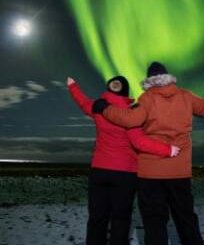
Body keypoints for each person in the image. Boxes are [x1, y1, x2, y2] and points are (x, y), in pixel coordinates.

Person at [92, 62, 204, 245]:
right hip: (179, 170)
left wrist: (104, 108)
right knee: (186, 218)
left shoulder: (147, 98)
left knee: (154, 221)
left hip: (150, 173)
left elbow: (129, 120)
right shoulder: (186, 96)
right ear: (167, 77)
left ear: (149, 80)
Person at [67, 75, 180, 245]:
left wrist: (73, 86)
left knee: (97, 217)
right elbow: (139, 142)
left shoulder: (98, 108)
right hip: (125, 174)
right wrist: (168, 149)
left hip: (99, 171)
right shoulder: (130, 113)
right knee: (120, 218)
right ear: (126, 92)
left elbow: (83, 102)